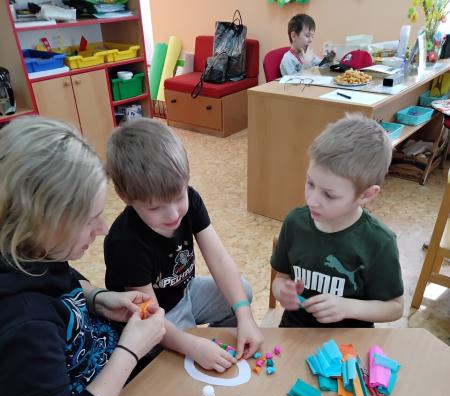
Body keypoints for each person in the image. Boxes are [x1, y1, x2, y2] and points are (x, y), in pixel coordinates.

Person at [0, 117, 165, 396]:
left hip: (102, 381)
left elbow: (64, 281)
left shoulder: (29, 250)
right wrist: (130, 351)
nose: (103, 228)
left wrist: (100, 298)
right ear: (44, 221)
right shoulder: (25, 327)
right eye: (91, 219)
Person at [104, 119, 263, 371]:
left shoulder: (192, 199)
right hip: (155, 317)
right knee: (182, 364)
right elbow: (148, 316)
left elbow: (219, 260)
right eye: (155, 208)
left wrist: (245, 315)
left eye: (179, 196)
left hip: (185, 292)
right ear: (126, 198)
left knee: (242, 292)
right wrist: (192, 345)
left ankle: (209, 342)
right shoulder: (124, 242)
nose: (173, 215)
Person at [271, 113, 404, 328]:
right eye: (310, 183)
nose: (312, 200)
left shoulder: (379, 242)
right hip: (295, 330)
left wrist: (349, 307)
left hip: (349, 340)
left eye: (329, 195)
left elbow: (395, 308)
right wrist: (282, 292)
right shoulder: (295, 223)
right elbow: (281, 278)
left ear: (366, 195)